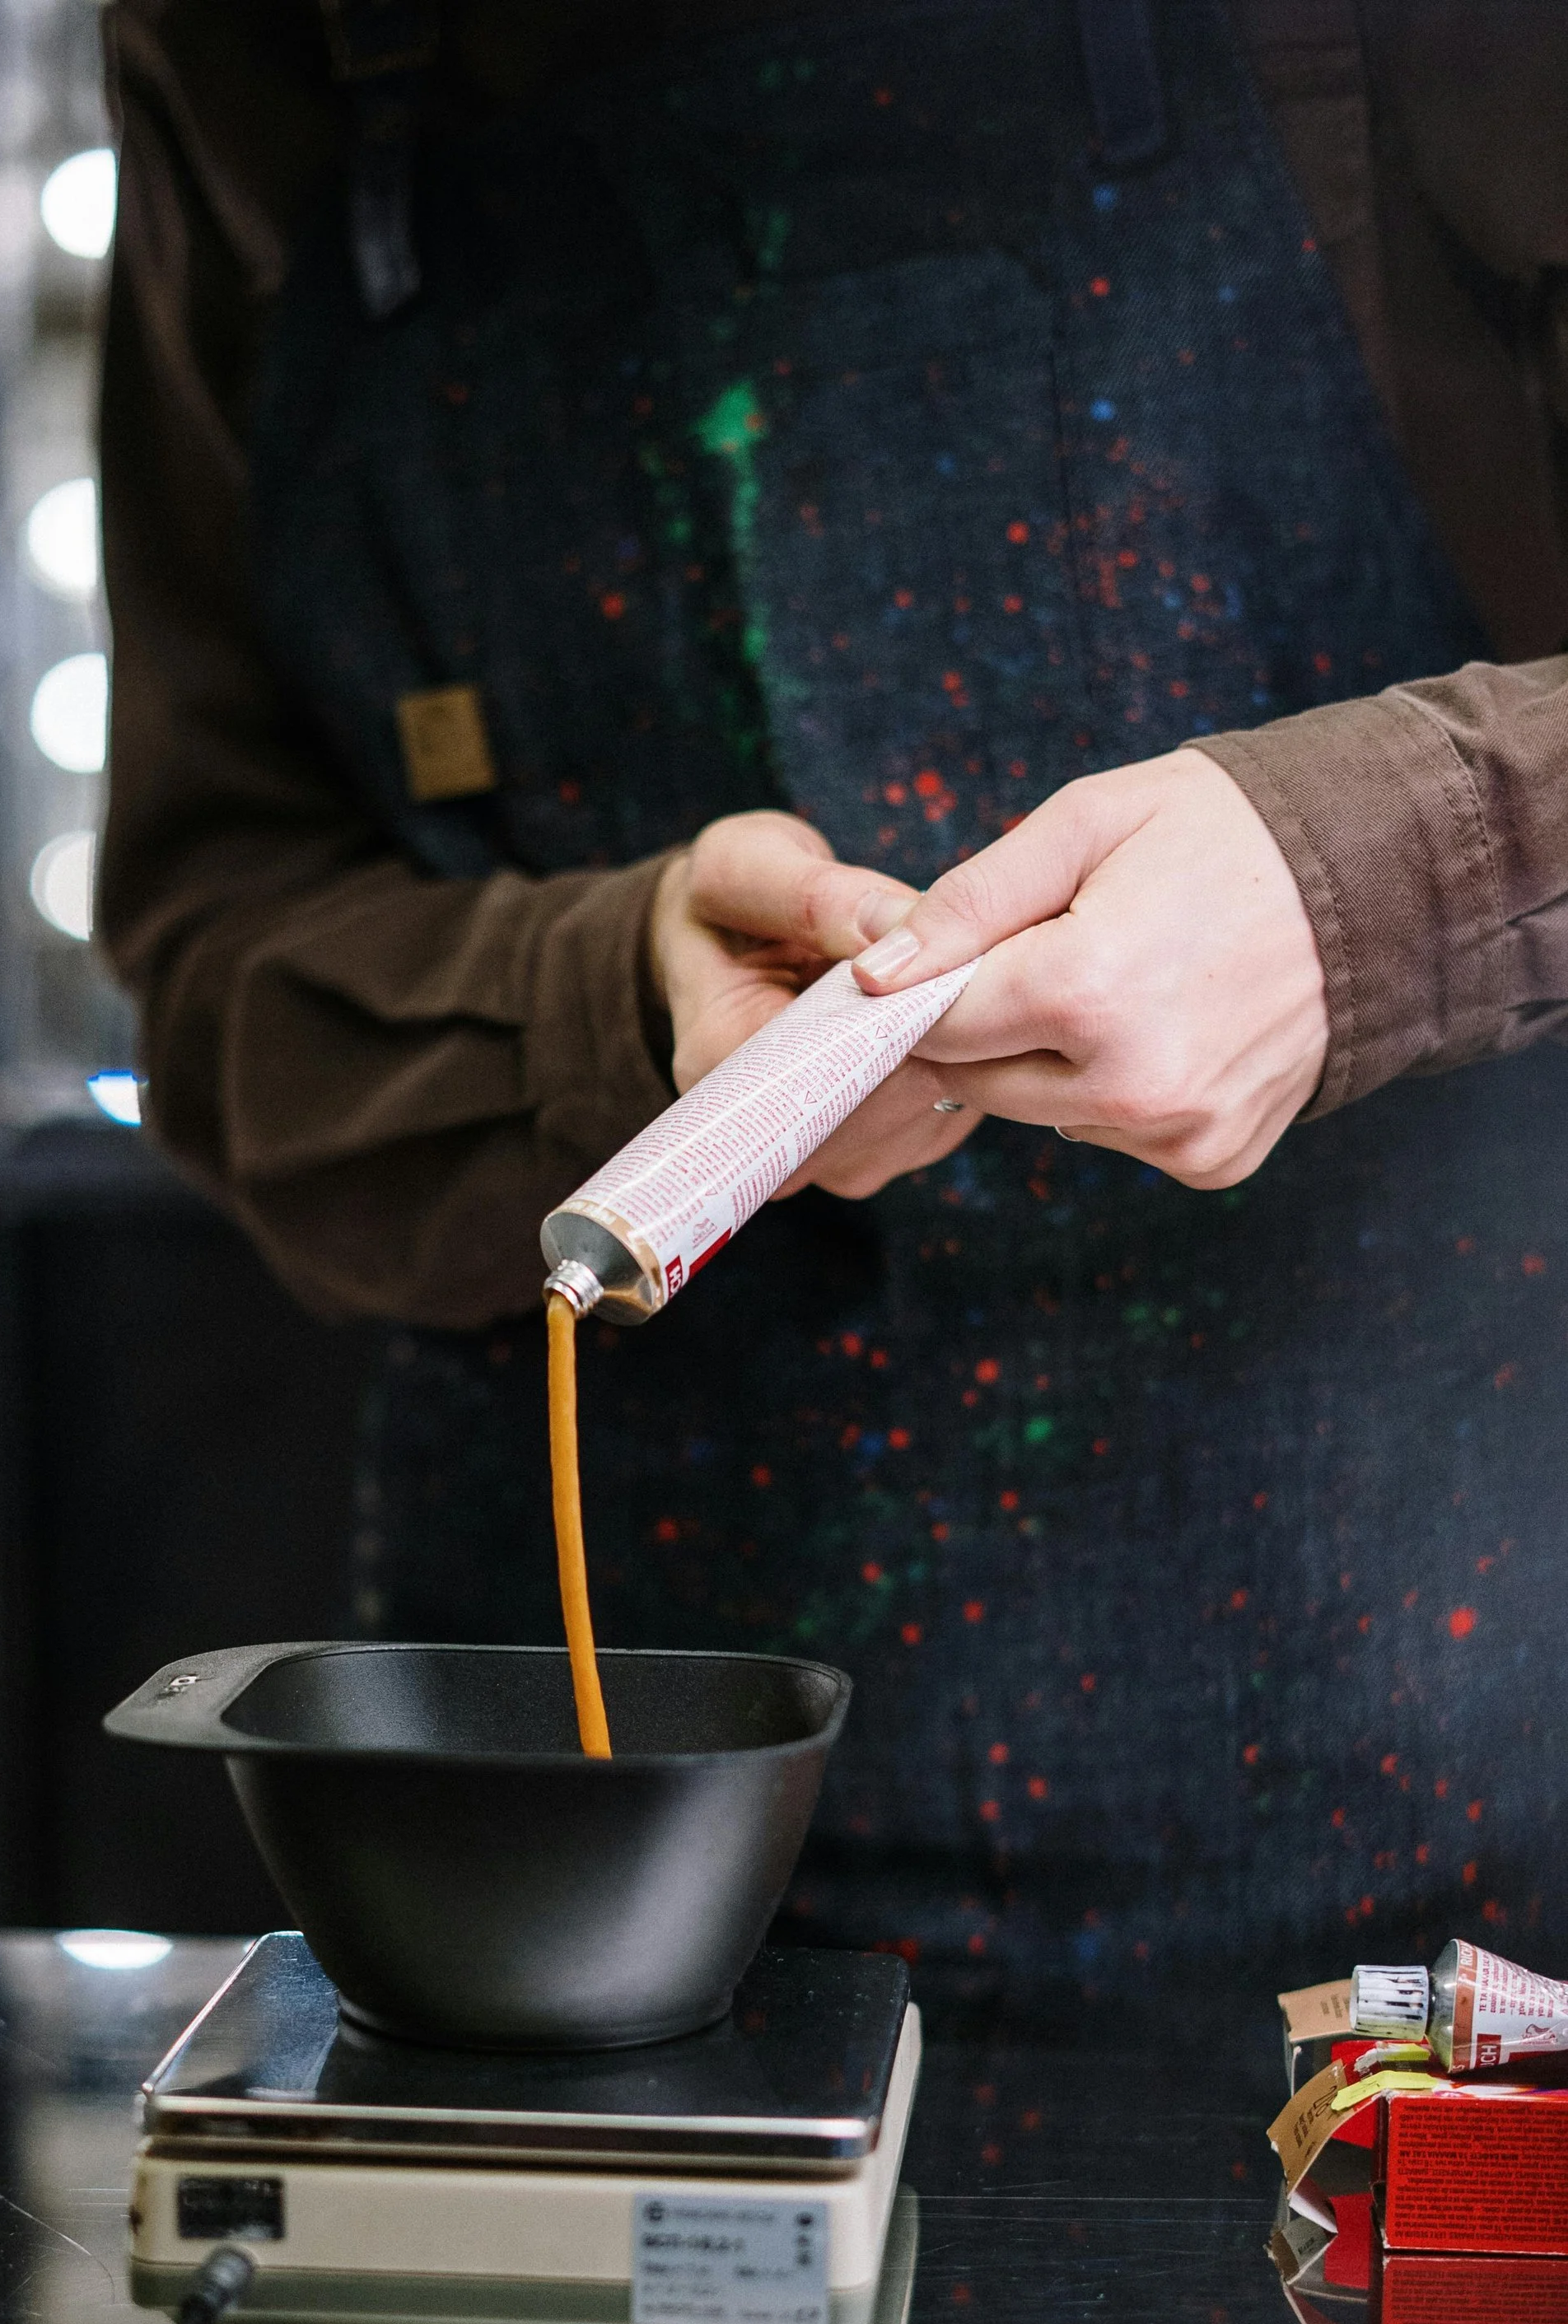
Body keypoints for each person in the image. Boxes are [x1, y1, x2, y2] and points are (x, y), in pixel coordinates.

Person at [97, 0, 1568, 2030]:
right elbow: (214, 960)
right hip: (574, 1888)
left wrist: (1387, 878)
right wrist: (595, 1001)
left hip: (1442, 1841)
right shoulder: (245, 52)